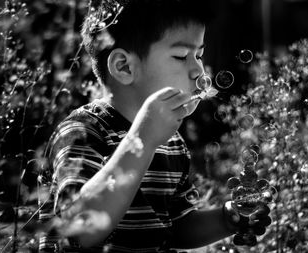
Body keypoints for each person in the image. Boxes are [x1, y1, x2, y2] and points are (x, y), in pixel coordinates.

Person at [39, 0, 271, 252]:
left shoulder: (170, 142)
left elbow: (177, 227)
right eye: (182, 56)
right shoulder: (82, 131)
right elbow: (79, 230)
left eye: (199, 55)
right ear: (124, 67)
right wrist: (142, 141)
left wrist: (227, 219)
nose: (198, 71)